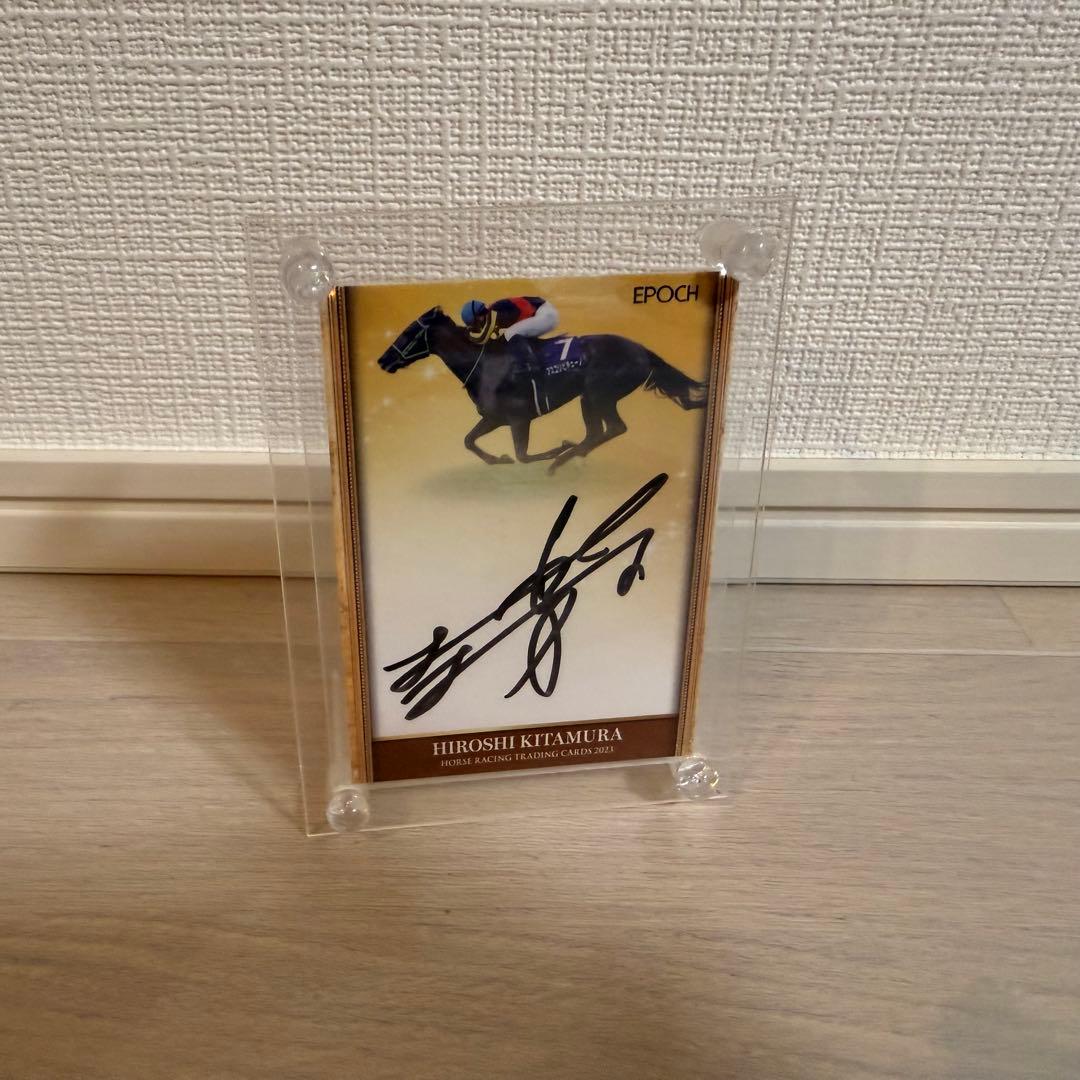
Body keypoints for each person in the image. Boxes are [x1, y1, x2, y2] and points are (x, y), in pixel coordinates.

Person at [460, 296, 560, 345]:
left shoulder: (493, 312)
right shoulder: (495, 312)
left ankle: (529, 366)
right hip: (544, 313)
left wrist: (465, 336)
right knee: (509, 336)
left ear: (478, 317)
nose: (479, 327)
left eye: (476, 324)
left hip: (545, 314)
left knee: (509, 334)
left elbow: (482, 339)